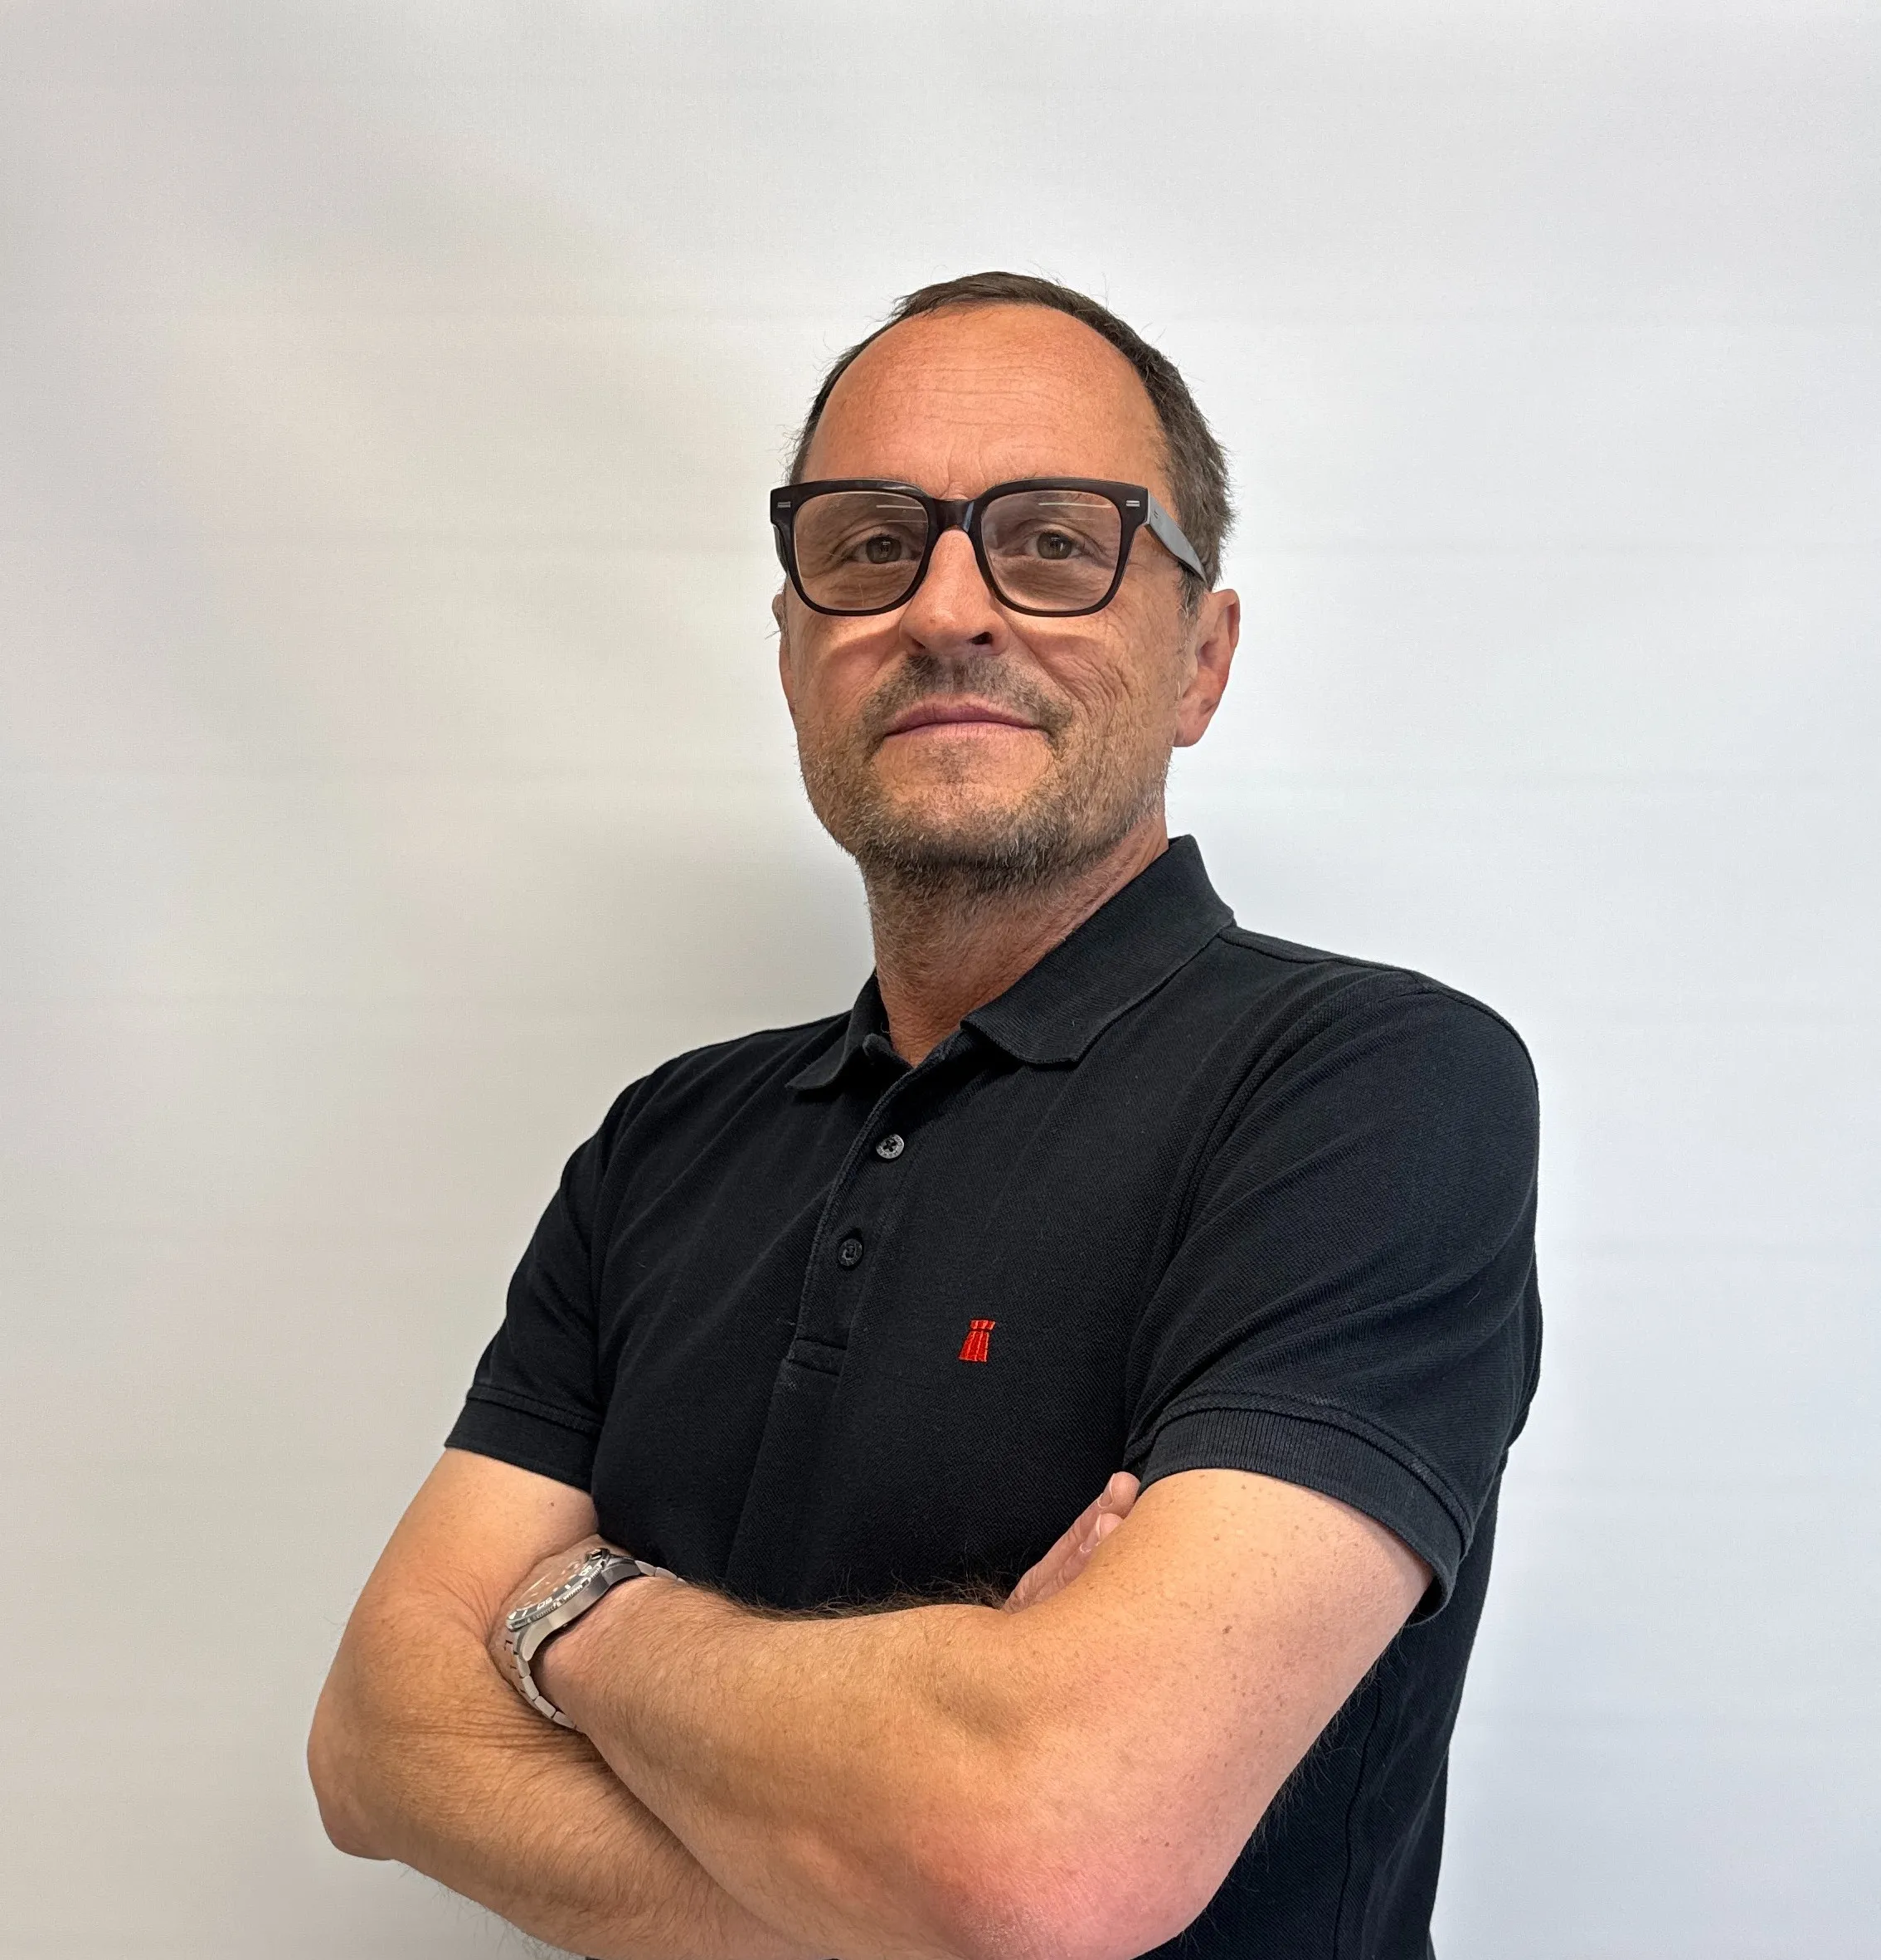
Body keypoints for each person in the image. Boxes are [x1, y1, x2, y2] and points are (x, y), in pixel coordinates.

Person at [308, 270, 1541, 1960]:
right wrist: (918, 1852)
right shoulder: (665, 1143)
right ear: (797, 645)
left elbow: (1055, 1843)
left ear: (1203, 656)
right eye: (871, 541)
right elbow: (376, 1744)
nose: (948, 605)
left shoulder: (1371, 1089)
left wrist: (575, 1618)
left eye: (1053, 539)